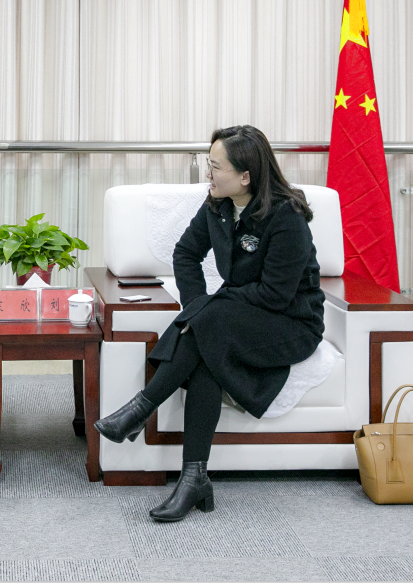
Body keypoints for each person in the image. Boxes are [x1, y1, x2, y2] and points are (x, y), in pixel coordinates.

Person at [95, 125, 324, 522]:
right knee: (207, 345)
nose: (208, 174)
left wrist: (208, 310)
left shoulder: (286, 217)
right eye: (209, 164)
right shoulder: (218, 205)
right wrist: (199, 304)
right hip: (238, 316)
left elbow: (275, 296)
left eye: (216, 167)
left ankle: (140, 410)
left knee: (209, 322)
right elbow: (185, 253)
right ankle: (194, 478)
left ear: (246, 176)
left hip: (290, 322)